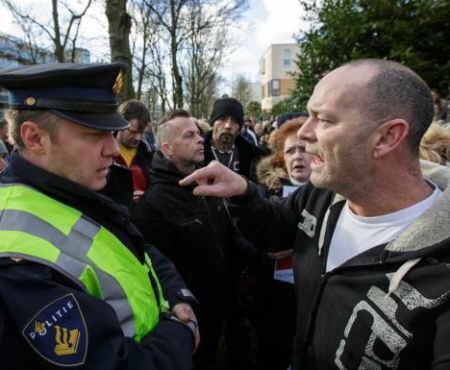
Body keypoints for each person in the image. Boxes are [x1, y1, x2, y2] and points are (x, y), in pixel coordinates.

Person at [180, 59, 450, 369]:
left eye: (324, 119)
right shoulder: (324, 192)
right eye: (309, 115)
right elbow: (276, 228)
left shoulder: (441, 270)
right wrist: (243, 191)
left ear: (387, 137)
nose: (304, 133)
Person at [0, 63, 198, 370]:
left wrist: (176, 293)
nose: (112, 149)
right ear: (35, 138)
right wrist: (181, 332)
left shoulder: (73, 182)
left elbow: (136, 250)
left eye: (112, 132)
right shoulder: (16, 260)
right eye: (95, 134)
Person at [133, 109, 257, 370]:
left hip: (228, 307)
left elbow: (227, 234)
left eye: (199, 134)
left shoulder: (208, 183)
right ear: (167, 148)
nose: (201, 139)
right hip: (195, 321)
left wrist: (260, 253)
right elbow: (160, 273)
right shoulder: (153, 206)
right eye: (189, 136)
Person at [248, 117, 312, 370]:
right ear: (280, 159)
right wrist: (264, 253)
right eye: (290, 150)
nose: (298, 156)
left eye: (304, 149)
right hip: (275, 306)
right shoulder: (263, 194)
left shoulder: (337, 195)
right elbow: (240, 238)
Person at [203, 97, 266, 181]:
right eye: (222, 119)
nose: (228, 126)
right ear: (213, 123)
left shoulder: (254, 157)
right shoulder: (196, 153)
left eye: (234, 121)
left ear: (239, 128)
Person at [114, 99, 154, 202]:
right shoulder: (103, 153)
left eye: (142, 132)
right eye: (133, 132)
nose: (138, 138)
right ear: (119, 124)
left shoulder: (150, 155)